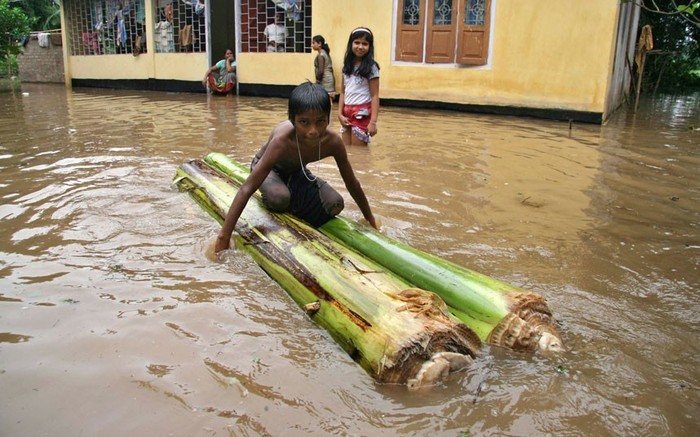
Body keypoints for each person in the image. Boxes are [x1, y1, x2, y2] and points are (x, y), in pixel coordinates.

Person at [214, 82, 378, 252]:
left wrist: (370, 220)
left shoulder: (333, 143)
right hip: (269, 169)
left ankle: (293, 196)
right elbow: (247, 188)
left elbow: (352, 183)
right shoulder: (282, 142)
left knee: (335, 204)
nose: (313, 130)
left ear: (329, 119)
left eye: (320, 121)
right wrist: (223, 237)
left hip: (296, 170)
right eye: (304, 122)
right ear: (292, 120)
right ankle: (284, 200)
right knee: (280, 199)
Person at [338, 27, 380, 146]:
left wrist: (373, 122)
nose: (360, 47)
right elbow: (342, 92)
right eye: (357, 42)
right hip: (346, 111)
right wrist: (339, 114)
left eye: (365, 44)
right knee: (346, 151)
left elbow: (375, 95)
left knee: (359, 152)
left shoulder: (371, 68)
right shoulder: (346, 66)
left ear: (369, 47)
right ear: (351, 43)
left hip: (362, 112)